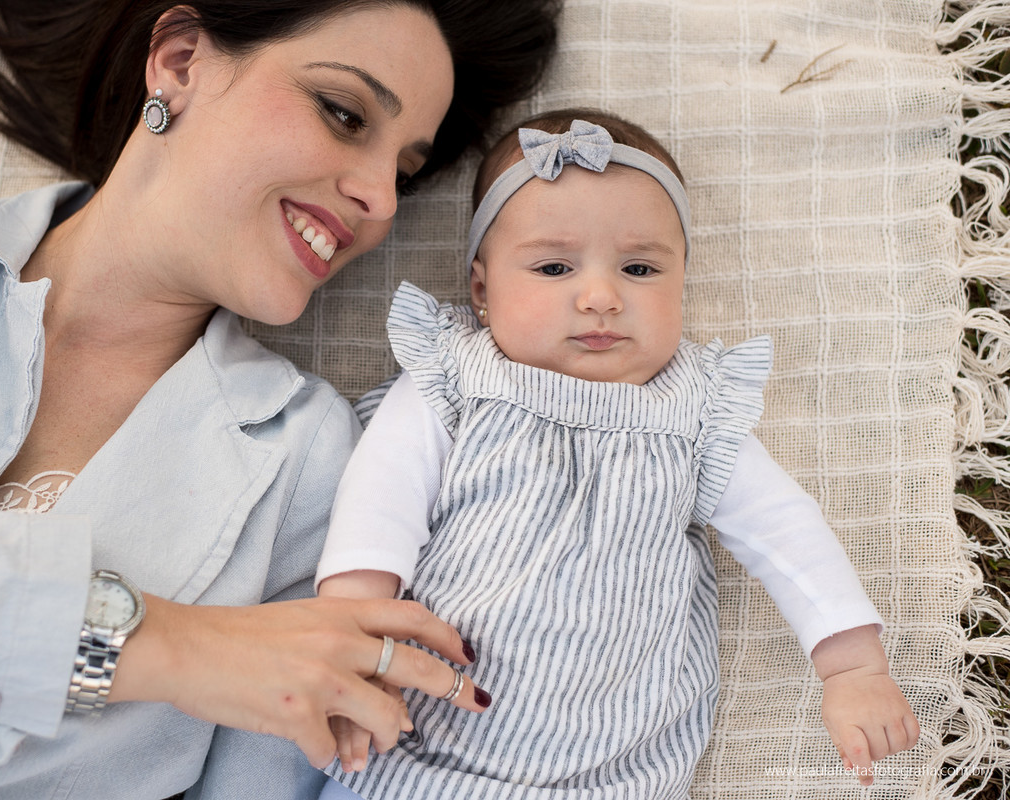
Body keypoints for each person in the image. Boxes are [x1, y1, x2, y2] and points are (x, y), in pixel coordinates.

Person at [0, 1, 561, 797]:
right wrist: (175, 646)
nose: (379, 197)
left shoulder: (308, 464)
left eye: (405, 174)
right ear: (179, 63)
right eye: (344, 114)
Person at [314, 109, 921, 799]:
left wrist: (852, 667)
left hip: (611, 767)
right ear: (482, 290)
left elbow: (784, 527)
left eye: (639, 268)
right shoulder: (456, 377)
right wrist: (351, 638)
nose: (600, 297)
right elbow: (379, 498)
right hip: (413, 754)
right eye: (553, 266)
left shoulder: (695, 410)